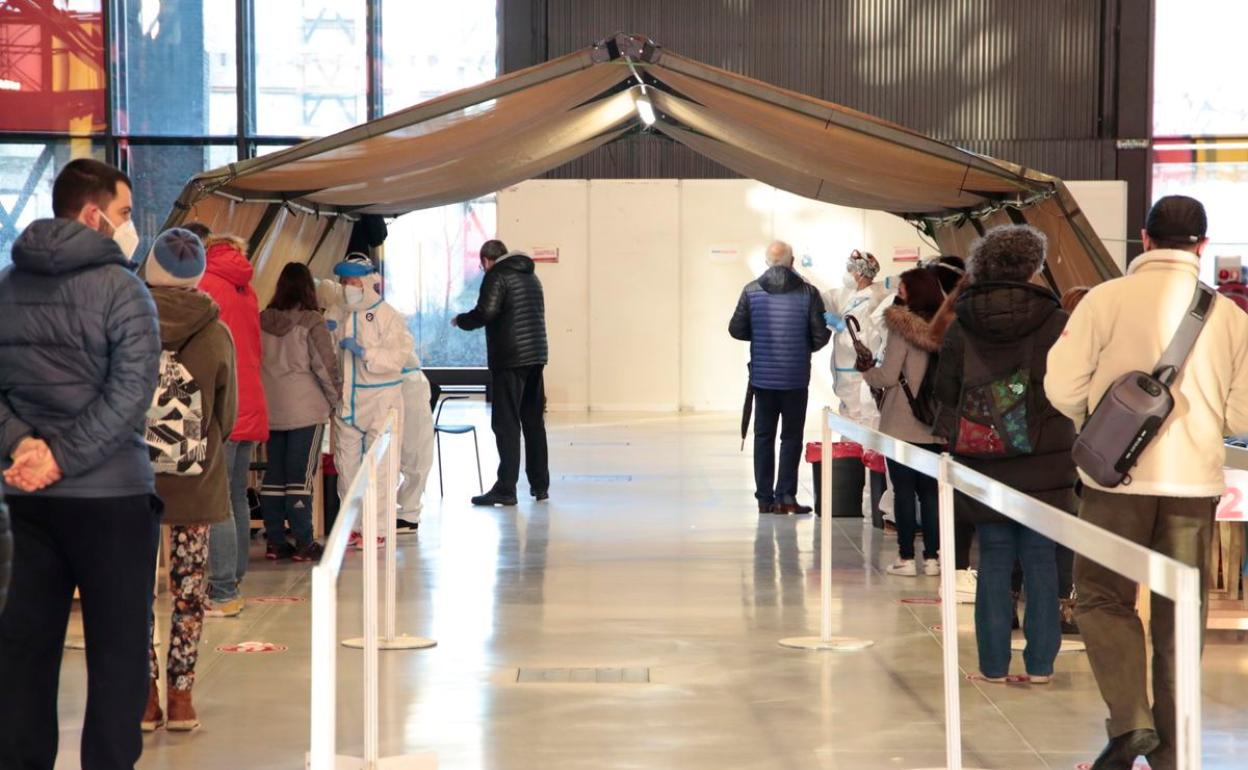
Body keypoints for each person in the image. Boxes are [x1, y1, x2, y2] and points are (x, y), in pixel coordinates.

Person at [1046, 195, 1248, 770]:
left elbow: (1060, 387)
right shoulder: (1231, 317)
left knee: (1103, 598)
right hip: (1194, 488)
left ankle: (1131, 720)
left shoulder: (1104, 300)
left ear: (1144, 237)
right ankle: (1175, 754)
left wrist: (1103, 417)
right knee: (1179, 617)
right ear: (1203, 246)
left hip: (1115, 483)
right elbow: (1241, 415)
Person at [0, 159, 162, 769]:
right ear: (94, 215)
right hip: (112, 501)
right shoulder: (126, 292)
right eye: (123, 214)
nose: (128, 227)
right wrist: (61, 458)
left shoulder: (7, 285)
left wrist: (23, 449)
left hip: (28, 501)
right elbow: (128, 398)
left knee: (24, 653)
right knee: (117, 655)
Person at [932, 225, 1076, 685]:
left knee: (992, 556)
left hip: (982, 455)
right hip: (1046, 456)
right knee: (1040, 556)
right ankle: (1040, 667)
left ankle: (992, 666)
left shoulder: (962, 322)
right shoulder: (1055, 321)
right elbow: (1068, 390)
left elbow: (945, 391)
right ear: (1034, 266)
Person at [140, 229, 238, 733]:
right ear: (198, 274)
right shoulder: (215, 331)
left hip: (129, 480)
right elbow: (228, 411)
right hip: (196, 479)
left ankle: (144, 701)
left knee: (132, 591)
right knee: (189, 592)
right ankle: (181, 701)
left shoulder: (124, 322)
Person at [728, 241, 831, 514]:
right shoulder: (808, 293)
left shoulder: (751, 291)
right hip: (796, 378)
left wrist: (760, 335)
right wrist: (800, 346)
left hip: (763, 378)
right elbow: (821, 335)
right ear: (792, 261)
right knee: (791, 437)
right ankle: (785, 497)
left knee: (763, 437)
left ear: (766, 262)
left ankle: (764, 499)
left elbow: (736, 330)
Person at [199, 231, 269, 617]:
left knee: (220, 499)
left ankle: (222, 589)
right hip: (252, 399)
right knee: (238, 496)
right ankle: (234, 580)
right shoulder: (248, 290)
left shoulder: (206, 284)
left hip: (224, 405)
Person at [452, 240, 550, 507]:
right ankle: (540, 485)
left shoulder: (497, 275)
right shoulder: (531, 277)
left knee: (506, 424)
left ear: (486, 260)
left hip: (510, 358)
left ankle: (506, 488)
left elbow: (487, 311)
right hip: (536, 356)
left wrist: (461, 320)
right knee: (533, 421)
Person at [861, 268, 945, 574]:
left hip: (903, 423)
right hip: (936, 424)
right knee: (932, 493)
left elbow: (887, 375)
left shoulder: (902, 328)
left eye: (903, 288)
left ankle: (907, 557)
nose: (900, 292)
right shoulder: (949, 328)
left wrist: (867, 370)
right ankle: (934, 558)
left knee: (904, 492)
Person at [327, 254, 414, 546]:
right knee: (346, 466)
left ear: (366, 281)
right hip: (348, 401)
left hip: (381, 400)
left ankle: (377, 529)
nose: (347, 286)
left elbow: (397, 358)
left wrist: (365, 353)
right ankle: (352, 523)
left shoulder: (387, 315)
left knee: (381, 467)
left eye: (352, 280)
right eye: (344, 281)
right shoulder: (337, 311)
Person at [259, 262, 342, 560]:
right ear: (309, 288)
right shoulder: (311, 321)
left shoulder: (261, 320)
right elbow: (324, 365)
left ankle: (275, 542)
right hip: (306, 409)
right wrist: (336, 400)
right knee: (300, 476)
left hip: (271, 408)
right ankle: (305, 542)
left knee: (274, 475)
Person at [397, 353, 435, 530]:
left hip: (407, 384)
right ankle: (403, 510)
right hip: (384, 385)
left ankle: (408, 512)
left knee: (415, 452)